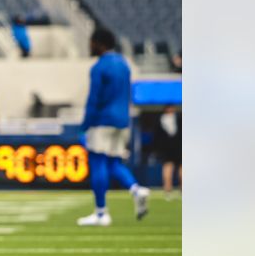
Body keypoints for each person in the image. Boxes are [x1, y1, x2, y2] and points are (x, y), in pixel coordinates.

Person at [77, 28, 150, 225]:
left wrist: (84, 126)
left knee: (98, 163)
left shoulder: (99, 67)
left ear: (99, 43)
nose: (89, 46)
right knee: (114, 164)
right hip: (122, 120)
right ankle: (136, 189)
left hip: (102, 120)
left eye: (91, 42)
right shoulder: (124, 64)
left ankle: (101, 212)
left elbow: (94, 99)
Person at [155, 105, 182, 199]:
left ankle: (178, 189)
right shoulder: (177, 118)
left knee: (179, 168)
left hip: (175, 147)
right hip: (170, 148)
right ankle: (168, 189)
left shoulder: (177, 118)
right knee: (169, 167)